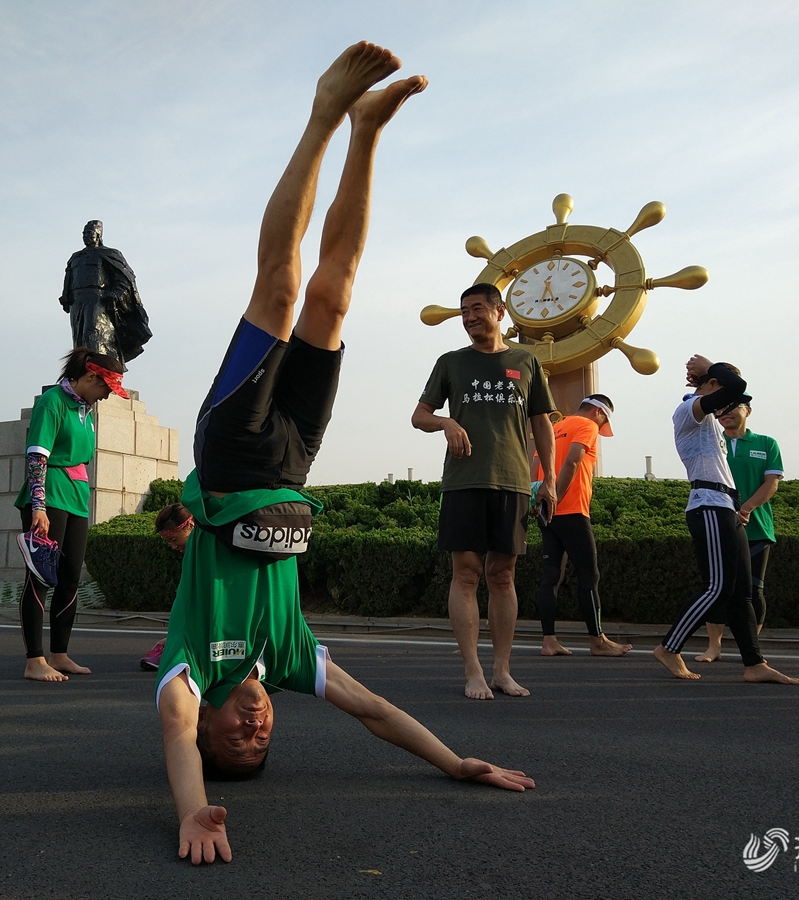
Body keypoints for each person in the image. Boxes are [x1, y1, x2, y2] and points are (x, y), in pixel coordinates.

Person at [157, 42, 534, 868]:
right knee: (336, 291)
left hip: (229, 457)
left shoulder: (187, 673)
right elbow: (378, 714)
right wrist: (455, 761)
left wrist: (195, 810)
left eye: (236, 740)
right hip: (292, 466)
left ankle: (324, 113)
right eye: (262, 741)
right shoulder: (290, 660)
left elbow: (176, 745)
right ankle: (366, 133)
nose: (253, 727)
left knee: (282, 290)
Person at [412, 283, 557, 699]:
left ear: (499, 311)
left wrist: (548, 480)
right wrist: (446, 423)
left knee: (503, 574)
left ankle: (502, 670)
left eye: (477, 309)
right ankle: (473, 670)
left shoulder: (526, 361)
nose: (470, 317)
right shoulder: (451, 363)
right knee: (466, 573)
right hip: (464, 481)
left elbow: (541, 424)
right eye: (464, 312)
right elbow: (419, 415)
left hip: (513, 481)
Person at [651, 355, 799, 685]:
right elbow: (736, 385)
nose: (728, 405)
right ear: (712, 385)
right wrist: (710, 368)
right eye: (721, 390)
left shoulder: (708, 419)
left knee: (741, 593)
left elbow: (733, 386)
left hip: (726, 508)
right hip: (708, 505)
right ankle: (669, 647)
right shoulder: (689, 410)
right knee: (717, 586)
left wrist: (709, 374)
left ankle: (754, 663)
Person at [14, 347, 127, 682]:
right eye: (106, 388)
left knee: (70, 577)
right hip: (50, 496)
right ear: (91, 376)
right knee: (40, 577)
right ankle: (34, 659)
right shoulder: (52, 403)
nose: (107, 396)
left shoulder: (85, 408)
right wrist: (39, 506)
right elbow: (37, 457)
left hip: (77, 497)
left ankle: (59, 654)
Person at [534, 394, 633, 658]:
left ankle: (548, 641)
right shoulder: (587, 425)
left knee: (551, 578)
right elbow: (573, 461)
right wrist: (557, 496)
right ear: (599, 414)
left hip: (546, 513)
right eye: (603, 424)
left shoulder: (554, 427)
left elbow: (535, 464)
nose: (600, 429)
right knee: (589, 576)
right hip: (572, 511)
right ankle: (597, 640)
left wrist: (539, 500)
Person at [696, 397, 783, 662]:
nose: (727, 412)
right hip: (719, 524)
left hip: (756, 528)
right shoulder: (710, 442)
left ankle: (751, 649)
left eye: (734, 407)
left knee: (754, 589)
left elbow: (771, 483)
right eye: (722, 408)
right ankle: (714, 646)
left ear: (748, 411)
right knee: (717, 588)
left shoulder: (766, 443)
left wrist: (745, 509)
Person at [59, 220, 152, 366]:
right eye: (84, 234)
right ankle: (81, 370)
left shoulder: (109, 253)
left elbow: (126, 277)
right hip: (77, 300)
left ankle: (100, 368)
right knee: (78, 336)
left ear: (98, 235)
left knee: (94, 332)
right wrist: (65, 295)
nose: (85, 236)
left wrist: (115, 293)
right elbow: (68, 277)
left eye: (89, 233)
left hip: (98, 299)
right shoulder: (76, 257)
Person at [139, 503, 194, 672]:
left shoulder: (204, 552)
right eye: (168, 541)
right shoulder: (192, 552)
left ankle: (176, 651)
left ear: (191, 526)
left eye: (174, 539)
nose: (173, 546)